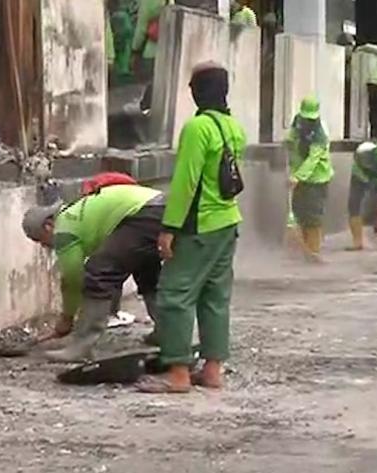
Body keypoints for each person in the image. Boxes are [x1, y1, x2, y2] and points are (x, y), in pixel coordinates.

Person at [137, 62, 245, 394]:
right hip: (228, 222)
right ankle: (213, 370)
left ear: (198, 91)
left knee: (174, 295)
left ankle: (179, 374)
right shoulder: (232, 126)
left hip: (200, 226)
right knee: (215, 296)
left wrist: (170, 227)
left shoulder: (198, 128)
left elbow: (186, 182)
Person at [21, 184, 166, 362]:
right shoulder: (74, 213)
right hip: (160, 208)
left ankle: (81, 347)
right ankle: (168, 334)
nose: (44, 246)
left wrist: (66, 318)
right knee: (146, 271)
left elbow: (73, 279)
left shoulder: (64, 229)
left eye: (39, 239)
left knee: (98, 274)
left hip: (143, 214)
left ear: (49, 226)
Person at [284, 96, 334, 263]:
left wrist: (297, 177)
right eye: (306, 117)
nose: (308, 120)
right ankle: (304, 251)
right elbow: (291, 138)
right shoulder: (298, 121)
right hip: (299, 176)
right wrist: (287, 144)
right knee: (299, 213)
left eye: (310, 118)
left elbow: (313, 159)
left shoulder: (321, 132)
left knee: (313, 217)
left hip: (317, 179)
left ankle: (313, 252)